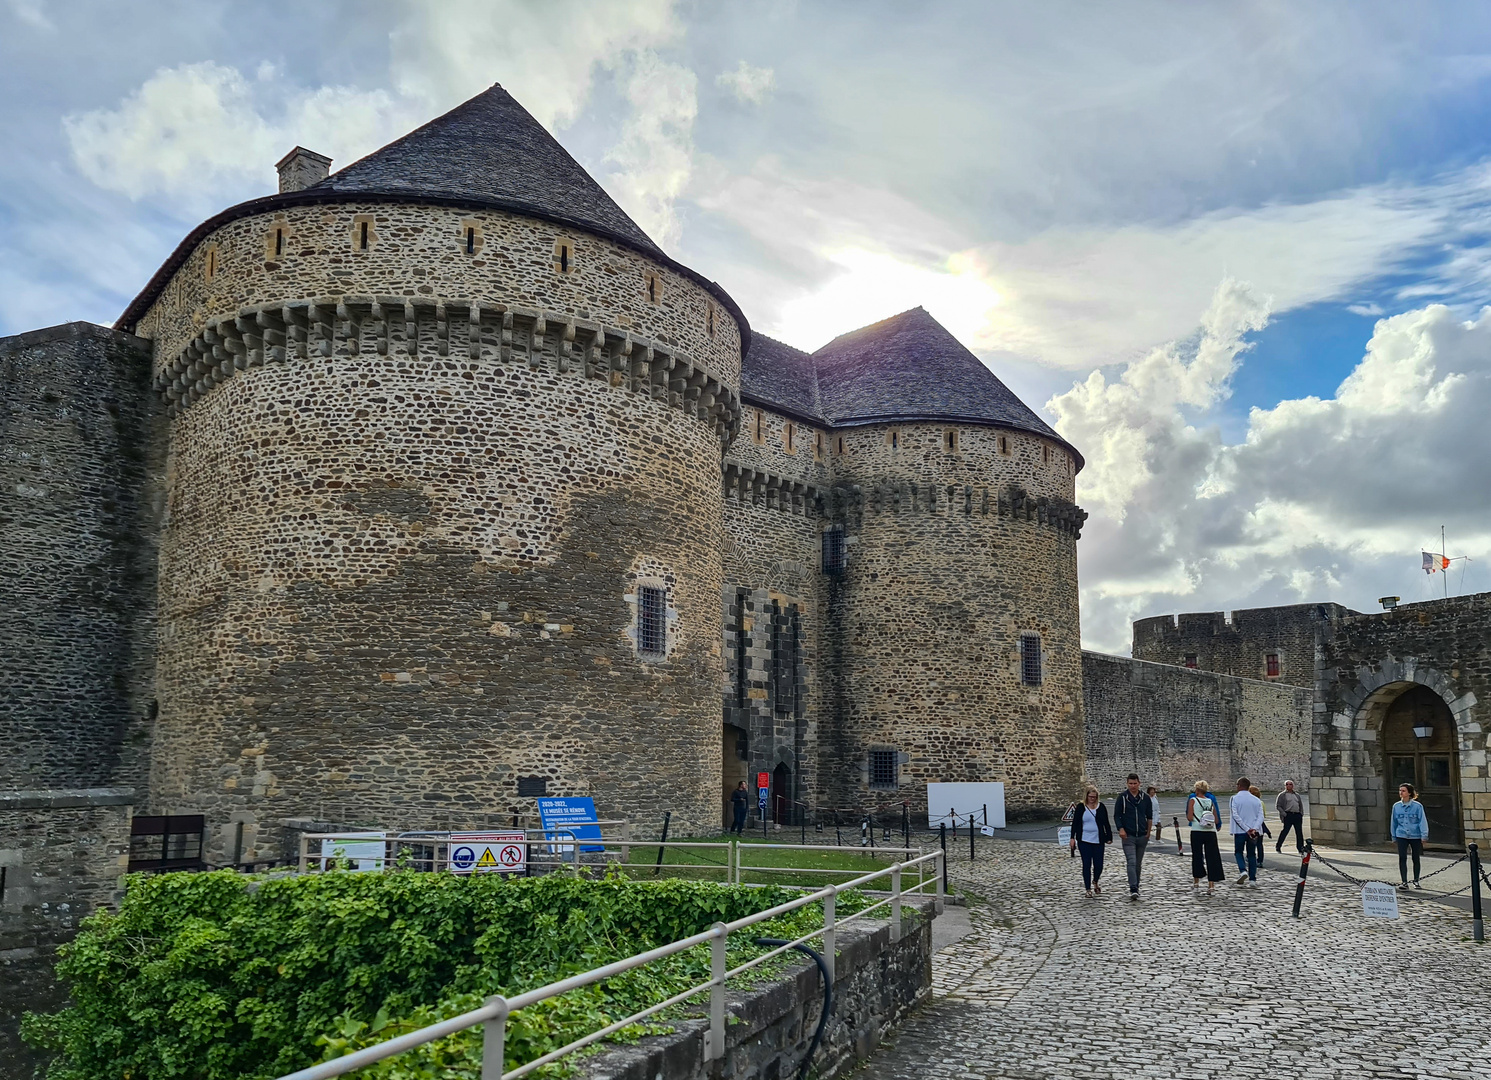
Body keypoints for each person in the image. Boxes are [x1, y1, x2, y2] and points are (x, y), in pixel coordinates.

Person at [1113, 773, 1152, 900]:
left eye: (1135, 783)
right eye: (1130, 783)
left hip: (1142, 835)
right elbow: (1117, 815)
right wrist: (1121, 828)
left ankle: (1137, 885)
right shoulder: (1123, 798)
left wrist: (1148, 832)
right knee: (1131, 861)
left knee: (1138, 864)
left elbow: (1149, 816)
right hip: (1128, 836)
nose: (1133, 786)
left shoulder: (1145, 798)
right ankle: (1133, 887)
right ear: (1127, 783)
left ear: (1139, 783)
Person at [1068, 785, 1112, 896]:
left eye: (1094, 797)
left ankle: (1095, 880)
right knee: (1086, 864)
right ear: (1086, 796)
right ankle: (1088, 888)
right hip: (1084, 840)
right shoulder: (1081, 807)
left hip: (1098, 840)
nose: (1092, 799)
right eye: (1090, 797)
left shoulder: (1101, 807)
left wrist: (1109, 837)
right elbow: (1075, 823)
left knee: (1099, 865)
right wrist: (1072, 837)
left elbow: (1106, 823)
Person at [1186, 780, 1225, 895]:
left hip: (1197, 830)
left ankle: (1196, 883)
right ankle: (1211, 885)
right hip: (1210, 832)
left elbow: (1189, 817)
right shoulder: (1210, 801)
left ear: (1197, 790)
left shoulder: (1193, 800)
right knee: (1212, 857)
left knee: (1197, 856)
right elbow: (1216, 819)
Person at [1391, 783, 1429, 890]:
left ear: (1409, 793)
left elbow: (1422, 821)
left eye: (1403, 791)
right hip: (1401, 834)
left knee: (1415, 858)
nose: (1401, 793)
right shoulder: (1396, 806)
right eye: (1400, 791)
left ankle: (1416, 880)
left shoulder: (1417, 806)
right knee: (1402, 857)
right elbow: (1393, 822)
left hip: (1415, 835)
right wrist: (1394, 835)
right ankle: (1404, 882)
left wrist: (1424, 835)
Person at [1229, 778, 1264, 885]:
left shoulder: (1234, 799)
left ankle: (1243, 870)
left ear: (1239, 786)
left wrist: (1246, 828)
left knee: (1238, 852)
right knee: (1251, 854)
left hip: (1240, 831)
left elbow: (1235, 815)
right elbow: (1261, 816)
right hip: (1253, 831)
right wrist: (1254, 828)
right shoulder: (1256, 800)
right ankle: (1252, 879)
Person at [1275, 780, 1304, 854]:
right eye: (1287, 784)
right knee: (1285, 831)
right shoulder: (1282, 795)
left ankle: (1300, 848)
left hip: (1297, 815)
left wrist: (1301, 814)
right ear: (1285, 786)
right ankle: (1278, 846)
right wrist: (1284, 814)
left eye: (1290, 784)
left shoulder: (1297, 795)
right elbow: (1278, 806)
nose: (1289, 785)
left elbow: (1300, 805)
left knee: (1299, 832)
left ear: (1293, 785)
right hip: (1288, 815)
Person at [1248, 784, 1270, 869]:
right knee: (1259, 844)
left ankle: (1252, 859)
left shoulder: (1251, 803)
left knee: (1251, 844)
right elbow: (1263, 815)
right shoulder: (1261, 802)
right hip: (1260, 825)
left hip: (1252, 825)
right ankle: (1260, 860)